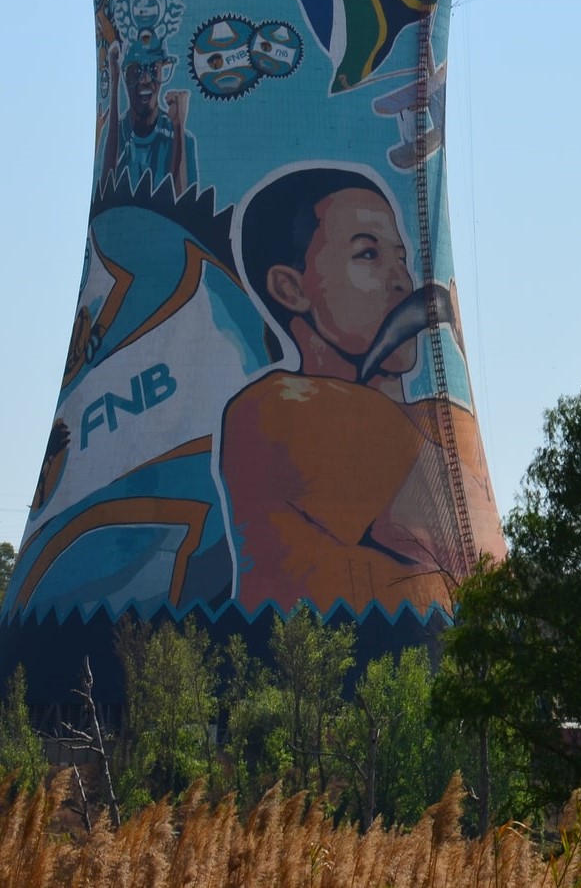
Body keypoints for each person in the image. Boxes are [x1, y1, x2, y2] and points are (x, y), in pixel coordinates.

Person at [219, 165, 504, 615]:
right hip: (325, 678)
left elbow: (488, 581)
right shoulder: (282, 410)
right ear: (290, 288)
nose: (401, 280)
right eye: (368, 256)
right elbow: (473, 557)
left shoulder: (444, 418)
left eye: (400, 258)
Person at [99, 37, 197, 193]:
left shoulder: (183, 140)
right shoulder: (118, 138)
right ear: (125, 76)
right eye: (137, 71)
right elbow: (106, 194)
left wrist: (178, 128)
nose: (145, 79)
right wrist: (114, 81)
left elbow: (182, 206)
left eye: (153, 69)